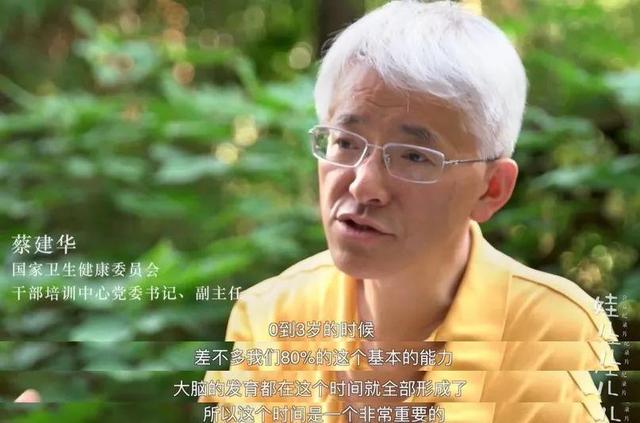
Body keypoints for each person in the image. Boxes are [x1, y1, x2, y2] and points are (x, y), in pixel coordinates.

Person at [199, 1, 617, 422]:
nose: (363, 185)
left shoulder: (548, 330)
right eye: (345, 142)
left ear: (491, 189)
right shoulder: (272, 316)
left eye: (415, 156)